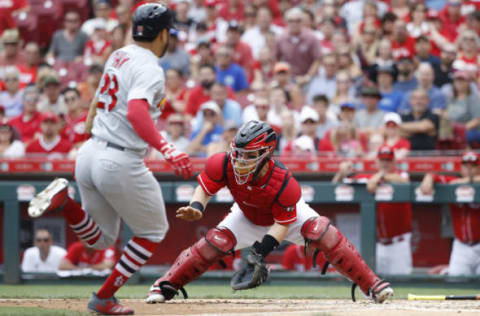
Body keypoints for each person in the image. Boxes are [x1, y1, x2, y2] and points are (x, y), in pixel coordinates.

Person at [27, 4, 192, 315]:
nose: (170, 39)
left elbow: (96, 106)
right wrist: (167, 148)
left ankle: (67, 203)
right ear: (162, 34)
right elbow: (136, 112)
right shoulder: (150, 68)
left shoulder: (119, 54)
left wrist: (90, 135)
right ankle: (104, 297)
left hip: (90, 152)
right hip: (119, 158)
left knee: (101, 241)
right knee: (153, 232)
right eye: (169, 33)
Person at [146, 120, 393, 304]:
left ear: (266, 154)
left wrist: (259, 251)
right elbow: (205, 188)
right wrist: (197, 207)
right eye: (238, 154)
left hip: (285, 219)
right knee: (215, 241)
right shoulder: (222, 162)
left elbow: (282, 224)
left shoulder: (283, 182)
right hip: (245, 214)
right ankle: (164, 285)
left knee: (324, 232)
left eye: (249, 155)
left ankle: (371, 285)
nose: (240, 161)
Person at [332, 145, 413, 275]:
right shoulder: (370, 177)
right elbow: (337, 185)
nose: (385, 163)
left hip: (399, 243)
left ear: (394, 162)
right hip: (379, 245)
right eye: (382, 160)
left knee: (402, 284)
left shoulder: (400, 175)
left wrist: (380, 176)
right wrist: (341, 173)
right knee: (377, 285)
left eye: (388, 160)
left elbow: (403, 181)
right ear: (377, 161)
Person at [419, 152, 480, 276]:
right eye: (466, 166)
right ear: (461, 168)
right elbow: (433, 176)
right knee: (456, 281)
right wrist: (428, 178)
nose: (469, 169)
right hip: (461, 245)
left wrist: (471, 181)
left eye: (473, 166)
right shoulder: (453, 182)